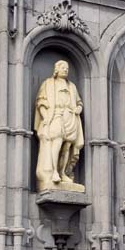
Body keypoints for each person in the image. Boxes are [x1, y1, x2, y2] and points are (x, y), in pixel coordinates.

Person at [34, 60, 84, 191]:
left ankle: (63, 173)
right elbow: (41, 102)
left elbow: (79, 102)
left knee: (67, 146)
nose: (66, 69)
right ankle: (53, 172)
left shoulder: (72, 86)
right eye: (63, 67)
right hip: (55, 115)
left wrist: (79, 108)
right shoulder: (48, 83)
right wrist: (45, 118)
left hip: (70, 116)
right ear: (56, 69)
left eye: (67, 68)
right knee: (56, 142)